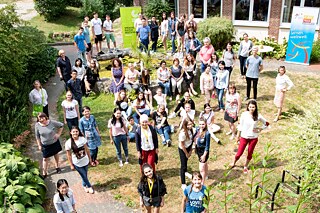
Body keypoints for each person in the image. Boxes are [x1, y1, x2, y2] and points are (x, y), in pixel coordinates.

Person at [229, 100, 269, 174]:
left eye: (253, 107)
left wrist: (260, 128)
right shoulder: (244, 114)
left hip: (253, 138)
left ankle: (245, 166)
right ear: (248, 107)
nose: (251, 108)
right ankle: (233, 162)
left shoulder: (258, 116)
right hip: (244, 137)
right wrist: (238, 136)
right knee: (239, 153)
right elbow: (240, 126)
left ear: (255, 107)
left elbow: (267, 123)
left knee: (250, 153)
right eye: (250, 107)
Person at [65, 126, 94, 194]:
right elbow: (68, 155)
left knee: (85, 175)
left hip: (85, 161)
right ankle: (89, 186)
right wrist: (71, 165)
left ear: (79, 132)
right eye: (73, 132)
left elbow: (87, 150)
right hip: (77, 163)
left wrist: (90, 159)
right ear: (70, 133)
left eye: (76, 131)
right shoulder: (68, 143)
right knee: (83, 175)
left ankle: (84, 185)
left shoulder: (82, 139)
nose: (75, 133)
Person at [35, 113, 63, 178]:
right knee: (45, 158)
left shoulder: (51, 122)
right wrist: (39, 145)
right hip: (45, 145)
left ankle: (57, 166)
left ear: (45, 117)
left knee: (56, 154)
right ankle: (44, 172)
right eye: (39, 119)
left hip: (54, 142)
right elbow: (37, 136)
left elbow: (61, 125)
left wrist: (58, 134)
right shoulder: (37, 125)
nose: (41, 120)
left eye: (42, 118)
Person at [178, 119, 194, 190]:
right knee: (183, 165)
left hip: (188, 147)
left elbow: (191, 140)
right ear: (185, 125)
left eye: (191, 124)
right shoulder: (183, 133)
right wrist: (187, 153)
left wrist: (190, 150)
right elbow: (182, 145)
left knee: (186, 161)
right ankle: (183, 183)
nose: (190, 126)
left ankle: (186, 172)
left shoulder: (192, 130)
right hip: (183, 149)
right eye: (188, 125)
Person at [194, 117, 210, 184]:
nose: (201, 126)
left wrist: (204, 155)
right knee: (204, 164)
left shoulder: (207, 133)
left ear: (206, 124)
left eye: (203, 124)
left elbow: (207, 146)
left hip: (203, 152)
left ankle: (202, 184)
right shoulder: (197, 129)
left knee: (201, 169)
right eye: (200, 124)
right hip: (198, 150)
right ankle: (206, 175)